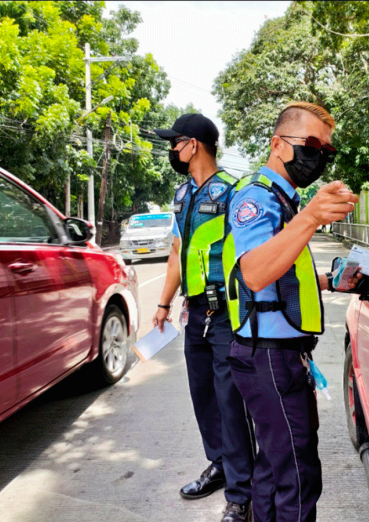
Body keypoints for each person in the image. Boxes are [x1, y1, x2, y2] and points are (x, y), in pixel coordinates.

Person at [222, 101, 359, 522]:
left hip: (276, 353)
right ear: (278, 144)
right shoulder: (256, 198)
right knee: (297, 476)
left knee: (275, 465)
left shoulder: (285, 201)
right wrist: (311, 219)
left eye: (327, 150)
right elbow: (256, 273)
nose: (319, 155)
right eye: (312, 144)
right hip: (269, 356)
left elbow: (283, 271)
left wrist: (329, 281)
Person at [153, 113, 254, 522]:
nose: (172, 150)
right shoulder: (181, 195)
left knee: (231, 402)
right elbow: (177, 252)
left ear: (193, 144)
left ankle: (241, 493)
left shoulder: (233, 193)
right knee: (203, 397)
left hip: (226, 314)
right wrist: (163, 304)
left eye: (175, 143)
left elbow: (250, 255)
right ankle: (220, 464)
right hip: (195, 313)